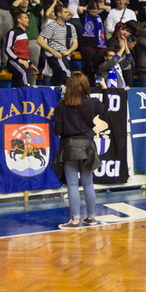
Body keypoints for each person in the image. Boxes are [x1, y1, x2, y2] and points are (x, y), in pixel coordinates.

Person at [52, 72, 106, 230]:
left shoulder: (62, 105)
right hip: (88, 145)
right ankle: (91, 217)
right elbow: (105, 108)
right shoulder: (92, 103)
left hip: (69, 146)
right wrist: (105, 90)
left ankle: (75, 220)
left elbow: (57, 130)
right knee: (88, 182)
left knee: (72, 184)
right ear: (84, 86)